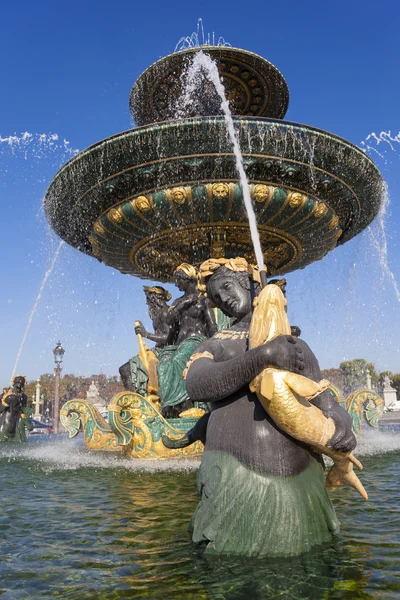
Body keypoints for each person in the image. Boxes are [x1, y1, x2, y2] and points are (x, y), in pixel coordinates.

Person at [180, 257, 356, 556]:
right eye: (216, 297)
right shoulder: (216, 344)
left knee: (309, 565)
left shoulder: (292, 343)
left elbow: (323, 396)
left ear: (248, 282)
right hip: (236, 481)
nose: (224, 300)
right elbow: (197, 384)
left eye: (227, 287)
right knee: (232, 571)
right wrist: (260, 357)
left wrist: (341, 421)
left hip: (301, 482)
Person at [156, 263, 217, 417]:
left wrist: (215, 345)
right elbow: (169, 320)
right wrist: (184, 303)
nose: (176, 283)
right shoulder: (179, 301)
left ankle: (178, 405)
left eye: (178, 279)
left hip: (196, 341)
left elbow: (212, 326)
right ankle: (171, 404)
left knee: (177, 361)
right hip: (179, 344)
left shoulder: (203, 300)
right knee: (163, 364)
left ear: (187, 279)